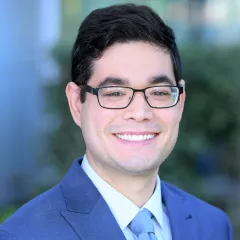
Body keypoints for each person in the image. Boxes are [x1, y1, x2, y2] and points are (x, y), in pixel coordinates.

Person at [0, 3, 233, 240]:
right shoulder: (22, 234)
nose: (140, 112)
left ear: (180, 101)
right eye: (114, 93)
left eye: (159, 92)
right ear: (75, 103)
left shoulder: (212, 226)